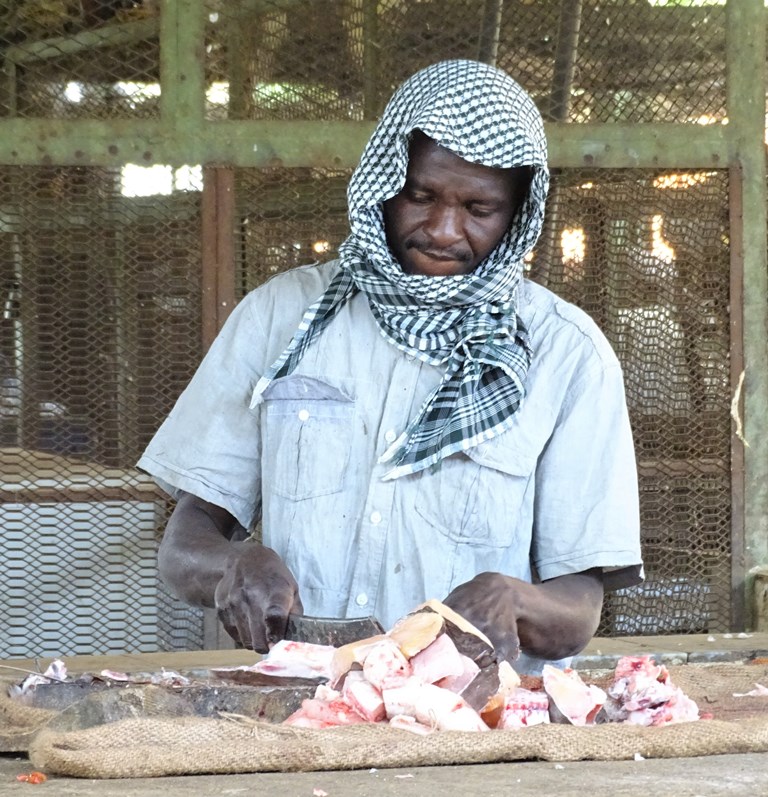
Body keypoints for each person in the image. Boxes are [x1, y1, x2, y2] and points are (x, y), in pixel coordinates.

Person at [138, 59, 643, 674]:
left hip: (470, 727)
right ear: (384, 182)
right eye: (421, 195)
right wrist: (234, 564)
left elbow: (579, 608)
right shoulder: (280, 318)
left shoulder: (565, 354)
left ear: (516, 216)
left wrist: (515, 600)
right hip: (295, 704)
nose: (442, 229)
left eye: (479, 209)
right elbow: (182, 547)